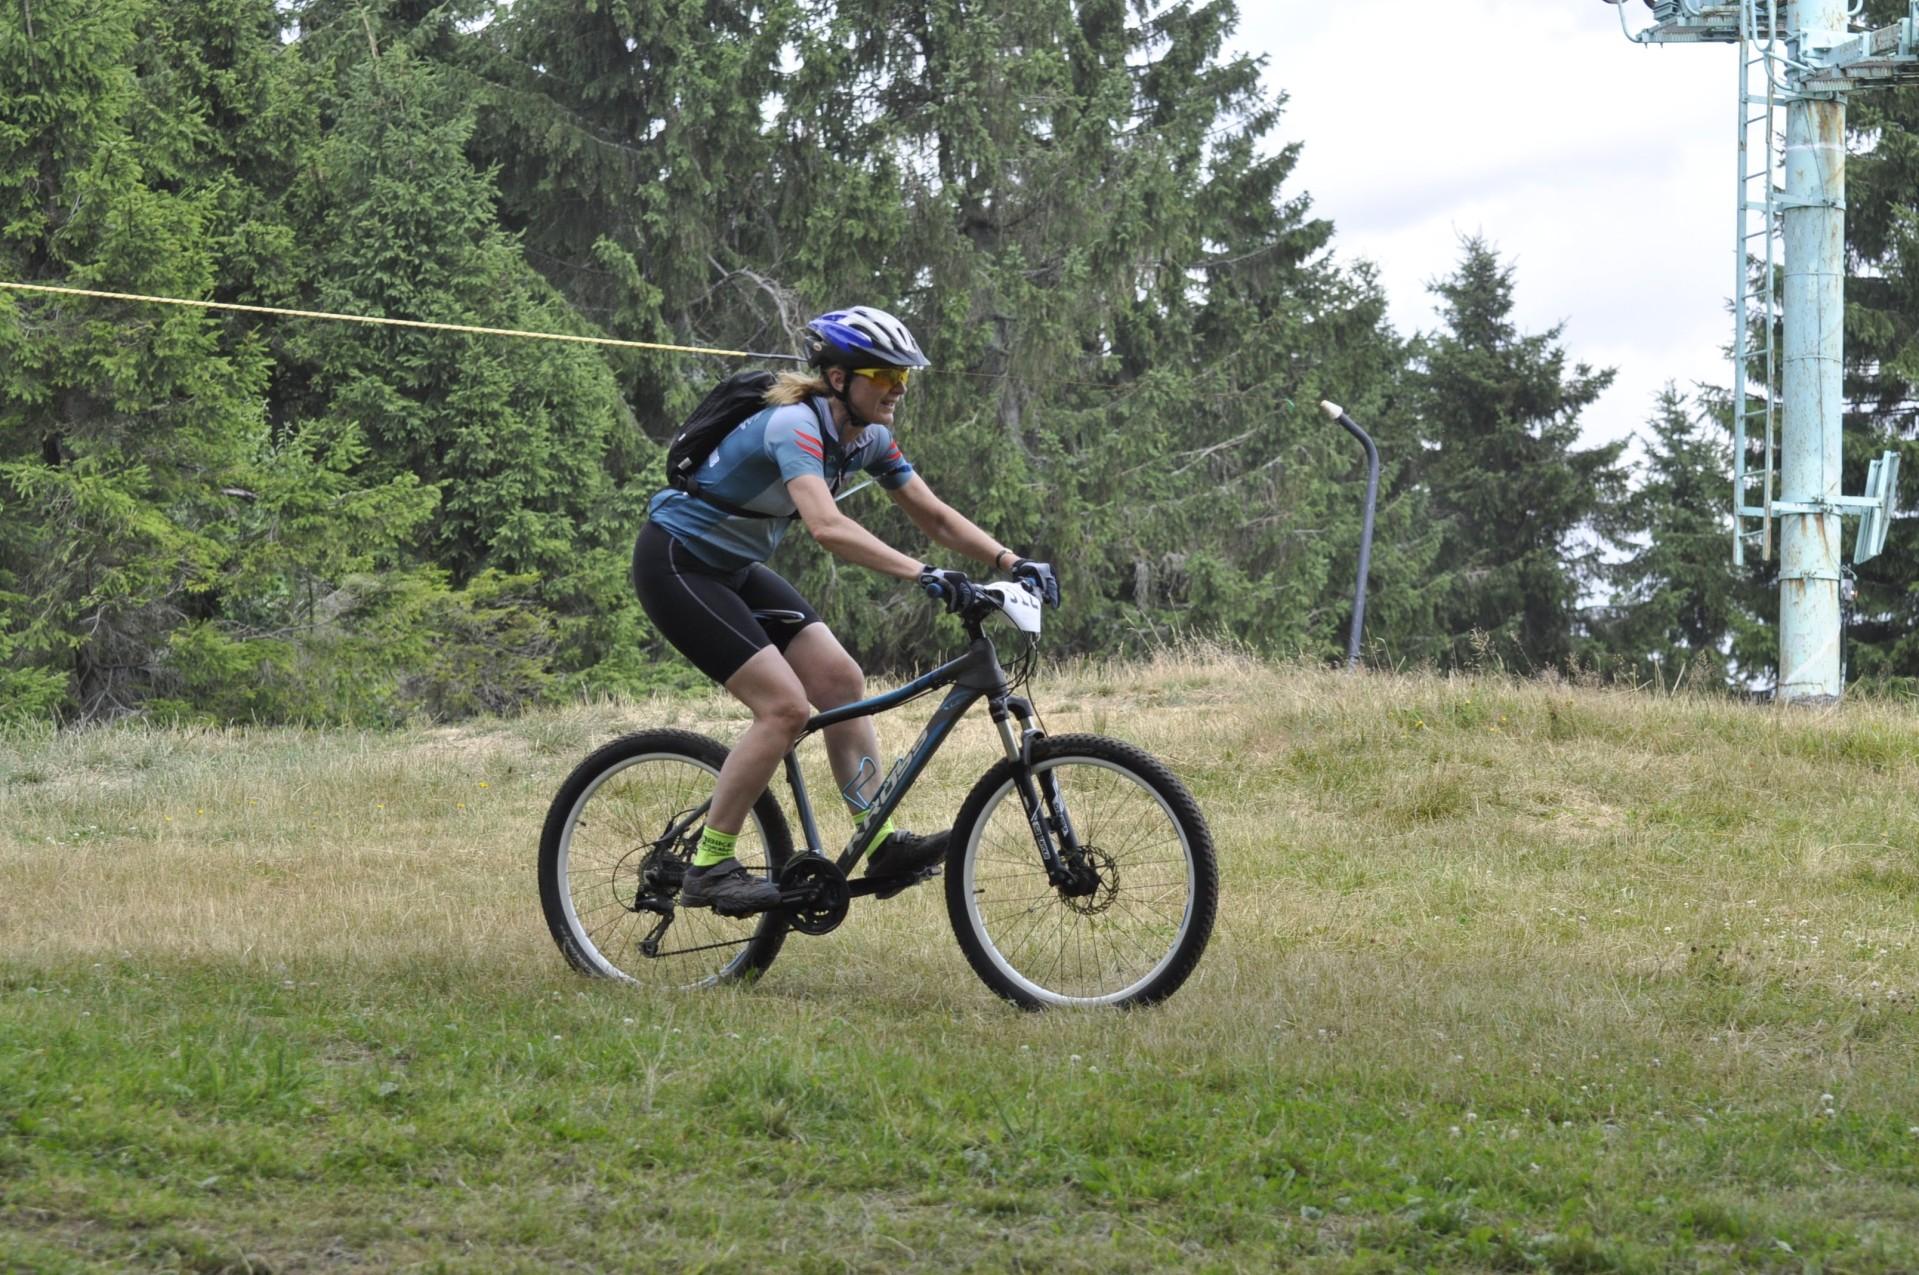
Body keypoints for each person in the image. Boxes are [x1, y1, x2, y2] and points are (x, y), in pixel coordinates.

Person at [634, 305, 1061, 915]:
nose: (898, 389)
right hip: (677, 562)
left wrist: (1010, 561)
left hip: (734, 567)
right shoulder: (794, 426)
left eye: (903, 377)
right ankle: (709, 865)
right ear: (839, 378)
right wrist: (924, 573)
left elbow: (934, 515)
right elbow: (827, 527)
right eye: (884, 376)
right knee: (784, 708)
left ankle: (878, 842)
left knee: (840, 681)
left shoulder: (869, 438)